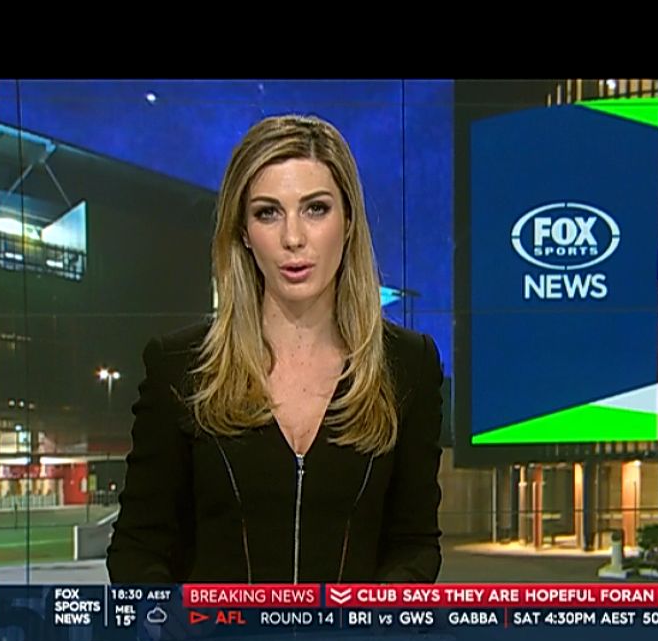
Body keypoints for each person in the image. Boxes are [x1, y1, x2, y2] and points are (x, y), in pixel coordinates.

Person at [106, 115, 443, 584]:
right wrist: (180, 621)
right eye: (268, 213)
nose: (293, 238)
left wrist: (364, 620)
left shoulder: (408, 365)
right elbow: (138, 549)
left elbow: (413, 545)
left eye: (316, 209)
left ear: (348, 221)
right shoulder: (179, 366)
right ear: (243, 232)